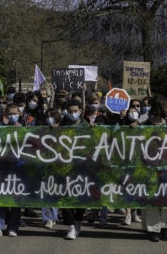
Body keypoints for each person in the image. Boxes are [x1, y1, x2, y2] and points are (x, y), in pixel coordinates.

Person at [141, 95, 167, 242]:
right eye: (166, 107)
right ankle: (154, 229)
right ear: (158, 108)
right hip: (150, 168)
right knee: (151, 198)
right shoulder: (144, 125)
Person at [0, 103, 23, 238]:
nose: (12, 116)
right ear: (6, 115)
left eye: (15, 113)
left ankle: (13, 227)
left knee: (15, 199)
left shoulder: (25, 129)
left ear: (19, 114)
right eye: (10, 114)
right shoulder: (0, 130)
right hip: (1, 169)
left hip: (19, 170)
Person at [60, 100, 89, 240]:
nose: (73, 114)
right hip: (65, 168)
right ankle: (71, 226)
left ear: (80, 111)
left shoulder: (87, 126)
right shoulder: (62, 126)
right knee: (65, 197)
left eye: (75, 111)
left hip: (83, 168)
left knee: (81, 198)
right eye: (70, 111)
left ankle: (78, 221)